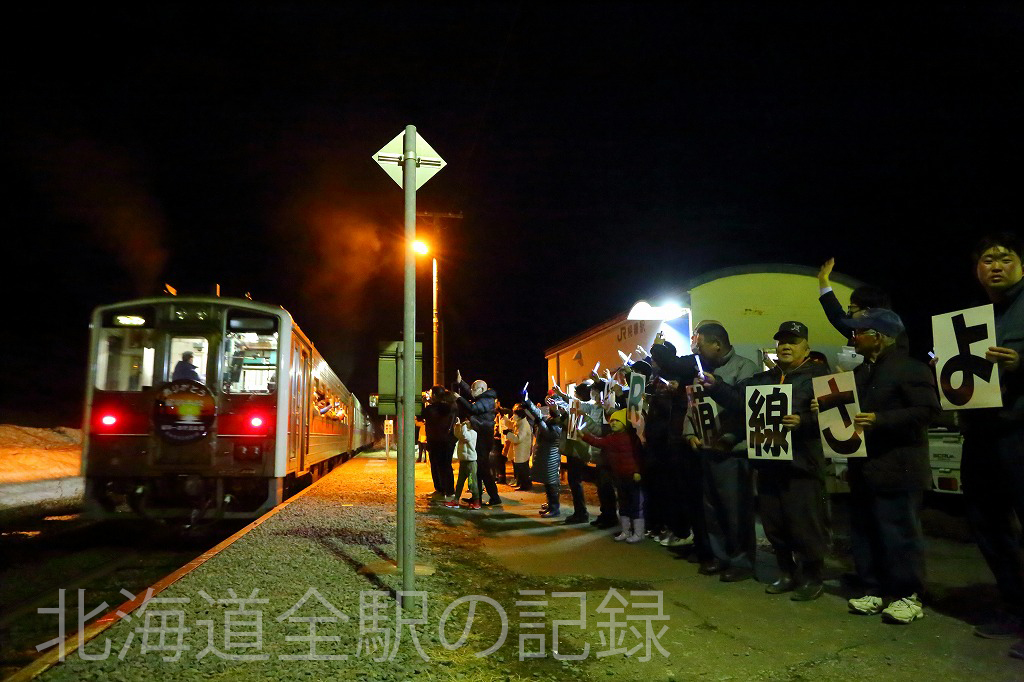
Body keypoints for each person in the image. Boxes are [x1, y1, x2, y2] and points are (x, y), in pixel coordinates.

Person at [706, 321, 831, 601]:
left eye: (793, 341)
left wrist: (804, 421)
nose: (786, 346)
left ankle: (812, 576)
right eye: (781, 341)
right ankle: (786, 572)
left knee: (805, 524)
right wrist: (716, 386)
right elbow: (739, 399)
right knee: (775, 524)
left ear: (806, 347)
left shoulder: (820, 377)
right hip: (769, 463)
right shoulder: (765, 379)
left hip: (802, 465)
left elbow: (836, 417)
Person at [830, 308, 940, 624]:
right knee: (865, 531)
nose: (852, 337)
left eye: (858, 332)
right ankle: (873, 589)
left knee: (900, 534)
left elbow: (927, 411)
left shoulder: (911, 369)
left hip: (900, 469)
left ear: (877, 336)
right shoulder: (860, 374)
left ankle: (908, 595)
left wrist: (881, 420)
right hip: (865, 469)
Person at [955, 233, 1024, 656]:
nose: (995, 265)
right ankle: (1015, 608)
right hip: (981, 434)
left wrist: (1022, 361)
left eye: (1005, 257)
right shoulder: (979, 318)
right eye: (986, 259)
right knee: (989, 524)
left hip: (1019, 432)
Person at [684, 322, 759, 582]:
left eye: (700, 343)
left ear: (717, 343)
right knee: (713, 510)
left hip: (733, 451)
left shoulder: (745, 367)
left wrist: (729, 437)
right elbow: (693, 403)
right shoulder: (703, 371)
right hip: (707, 450)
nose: (696, 348)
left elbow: (747, 407)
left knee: (736, 510)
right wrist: (689, 433)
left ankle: (741, 561)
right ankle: (720, 556)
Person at [578, 409, 645, 543]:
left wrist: (637, 471)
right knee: (623, 503)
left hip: (632, 476)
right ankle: (626, 531)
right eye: (612, 421)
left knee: (636, 504)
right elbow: (597, 442)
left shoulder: (633, 438)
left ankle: (639, 533)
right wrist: (583, 436)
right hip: (620, 476)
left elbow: (639, 456)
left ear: (625, 423)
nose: (613, 423)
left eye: (617, 421)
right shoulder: (611, 438)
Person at [453, 371, 502, 506]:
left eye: (475, 389)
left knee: (482, 468)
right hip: (480, 434)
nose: (472, 391)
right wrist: (461, 382)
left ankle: (494, 497)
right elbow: (470, 394)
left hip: (483, 436)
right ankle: (477, 497)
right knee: (478, 468)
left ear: (482, 390)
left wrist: (459, 398)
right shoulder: (484, 396)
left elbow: (473, 408)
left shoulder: (487, 400)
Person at [525, 397, 565, 518]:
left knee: (551, 482)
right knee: (548, 483)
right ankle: (550, 504)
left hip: (551, 455)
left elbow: (549, 434)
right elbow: (538, 414)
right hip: (546, 454)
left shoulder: (560, 422)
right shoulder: (550, 419)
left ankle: (554, 508)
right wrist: (528, 402)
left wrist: (539, 421)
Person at [422, 385, 457, 501]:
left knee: (436, 466)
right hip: (449, 441)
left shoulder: (431, 409)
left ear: (435, 395)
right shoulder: (452, 406)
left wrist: (425, 402)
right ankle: (450, 490)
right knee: (446, 466)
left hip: (435, 441)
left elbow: (420, 415)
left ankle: (440, 489)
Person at [446, 418, 480, 509]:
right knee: (460, 482)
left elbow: (465, 437)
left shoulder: (473, 433)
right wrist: (457, 426)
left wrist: (463, 426)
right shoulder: (465, 431)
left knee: (472, 482)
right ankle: (456, 500)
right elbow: (458, 435)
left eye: (468, 421)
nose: (466, 422)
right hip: (464, 461)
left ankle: (476, 501)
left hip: (470, 463)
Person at [505, 404, 534, 490]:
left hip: (522, 450)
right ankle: (523, 484)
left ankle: (525, 485)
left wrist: (508, 434)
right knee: (521, 468)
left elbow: (518, 438)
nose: (514, 415)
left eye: (515, 414)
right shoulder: (520, 422)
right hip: (520, 450)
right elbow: (512, 426)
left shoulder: (523, 424)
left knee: (523, 468)